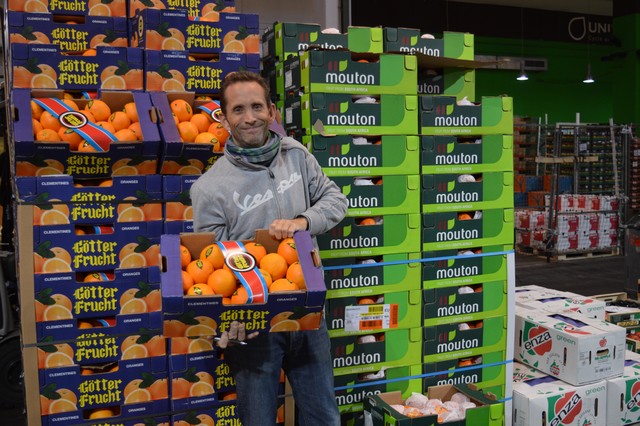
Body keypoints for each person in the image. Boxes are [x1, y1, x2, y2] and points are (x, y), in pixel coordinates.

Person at [190, 71, 347, 426]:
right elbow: (211, 268)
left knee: (324, 418)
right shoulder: (209, 189)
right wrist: (228, 322)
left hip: (307, 313)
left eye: (257, 106)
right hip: (254, 325)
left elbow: (335, 200)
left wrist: (303, 220)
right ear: (224, 118)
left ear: (272, 111)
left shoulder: (297, 156)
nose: (250, 117)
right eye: (238, 109)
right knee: (259, 419)